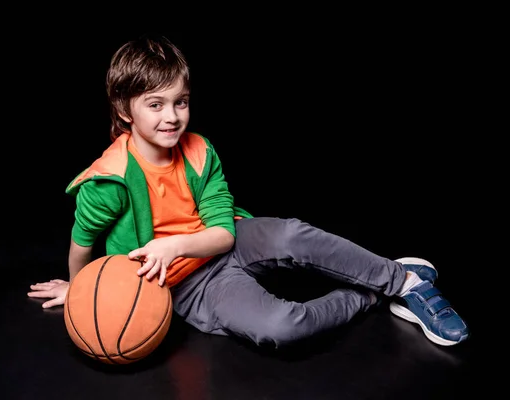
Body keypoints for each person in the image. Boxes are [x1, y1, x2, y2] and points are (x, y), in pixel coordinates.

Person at [27, 34, 469, 348]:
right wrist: (81, 288)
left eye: (180, 101)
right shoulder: (108, 180)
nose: (172, 116)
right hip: (189, 286)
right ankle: (372, 293)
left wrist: (175, 243)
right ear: (125, 110)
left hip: (228, 240)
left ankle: (405, 280)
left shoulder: (199, 151)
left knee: (292, 235)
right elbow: (80, 245)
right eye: (155, 104)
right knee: (281, 327)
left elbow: (223, 233)